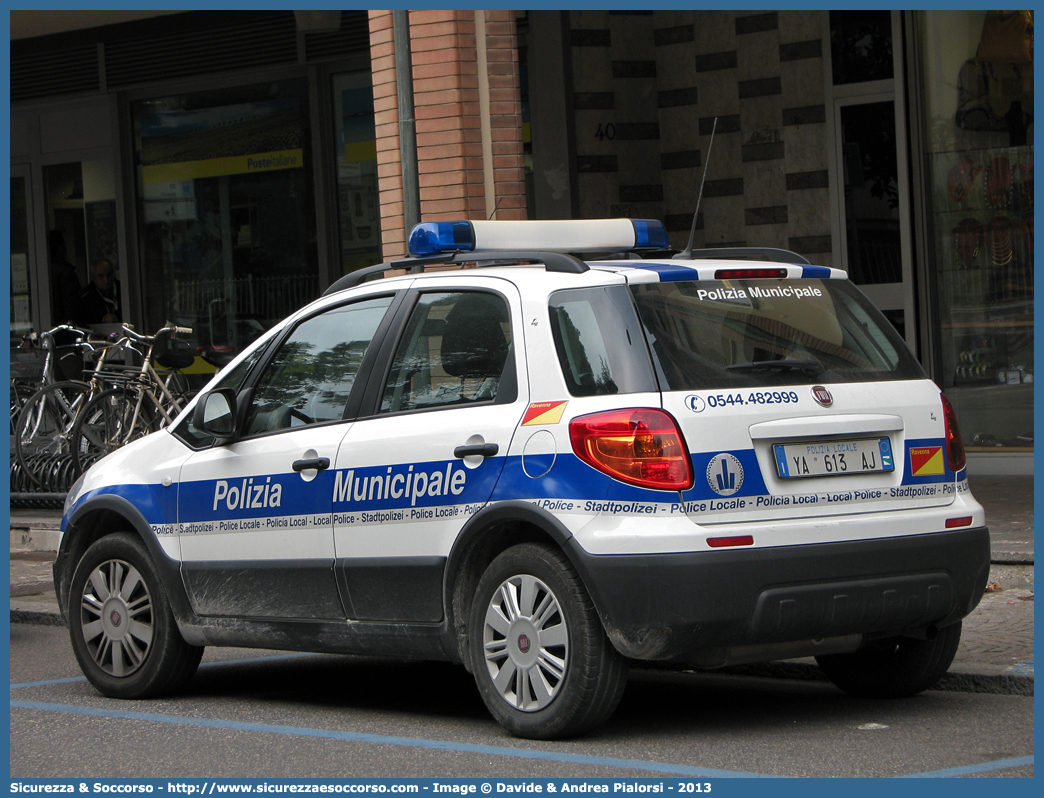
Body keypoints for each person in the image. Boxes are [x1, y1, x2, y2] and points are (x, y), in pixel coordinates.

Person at [48, 230, 82, 325]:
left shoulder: (42, 273)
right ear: (61, 249)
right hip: (64, 332)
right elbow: (73, 309)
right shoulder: (65, 272)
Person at [77, 257, 122, 325]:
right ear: (93, 277)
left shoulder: (124, 290)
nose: (106, 280)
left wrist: (118, 318)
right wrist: (102, 319)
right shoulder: (85, 296)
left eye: (109, 275)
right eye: (101, 276)